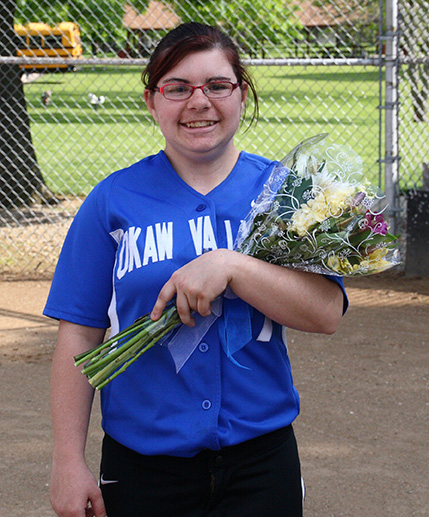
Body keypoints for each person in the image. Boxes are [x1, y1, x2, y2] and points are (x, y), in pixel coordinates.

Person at [44, 22, 347, 517]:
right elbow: (78, 335)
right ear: (152, 101)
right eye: (177, 88)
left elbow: (326, 313)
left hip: (260, 459)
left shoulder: (284, 195)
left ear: (241, 93)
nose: (198, 102)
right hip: (143, 463)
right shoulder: (112, 201)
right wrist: (66, 461)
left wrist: (232, 266)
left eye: (217, 85)